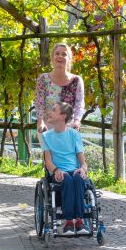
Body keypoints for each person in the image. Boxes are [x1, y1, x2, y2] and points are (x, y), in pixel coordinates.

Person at [42, 101, 89, 235]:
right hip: (58, 172)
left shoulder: (74, 135)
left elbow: (83, 162)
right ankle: (68, 222)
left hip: (74, 170)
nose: (50, 112)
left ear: (63, 116)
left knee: (78, 178)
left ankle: (80, 221)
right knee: (67, 179)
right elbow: (48, 162)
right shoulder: (46, 136)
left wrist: (83, 169)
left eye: (54, 110)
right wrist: (56, 170)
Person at [35, 43, 85, 135]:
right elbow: (39, 103)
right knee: (47, 150)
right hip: (46, 128)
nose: (60, 56)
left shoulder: (76, 80)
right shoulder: (43, 79)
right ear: (52, 57)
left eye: (64, 54)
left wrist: (77, 121)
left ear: (69, 59)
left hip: (68, 129)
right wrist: (40, 122)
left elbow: (79, 105)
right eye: (57, 53)